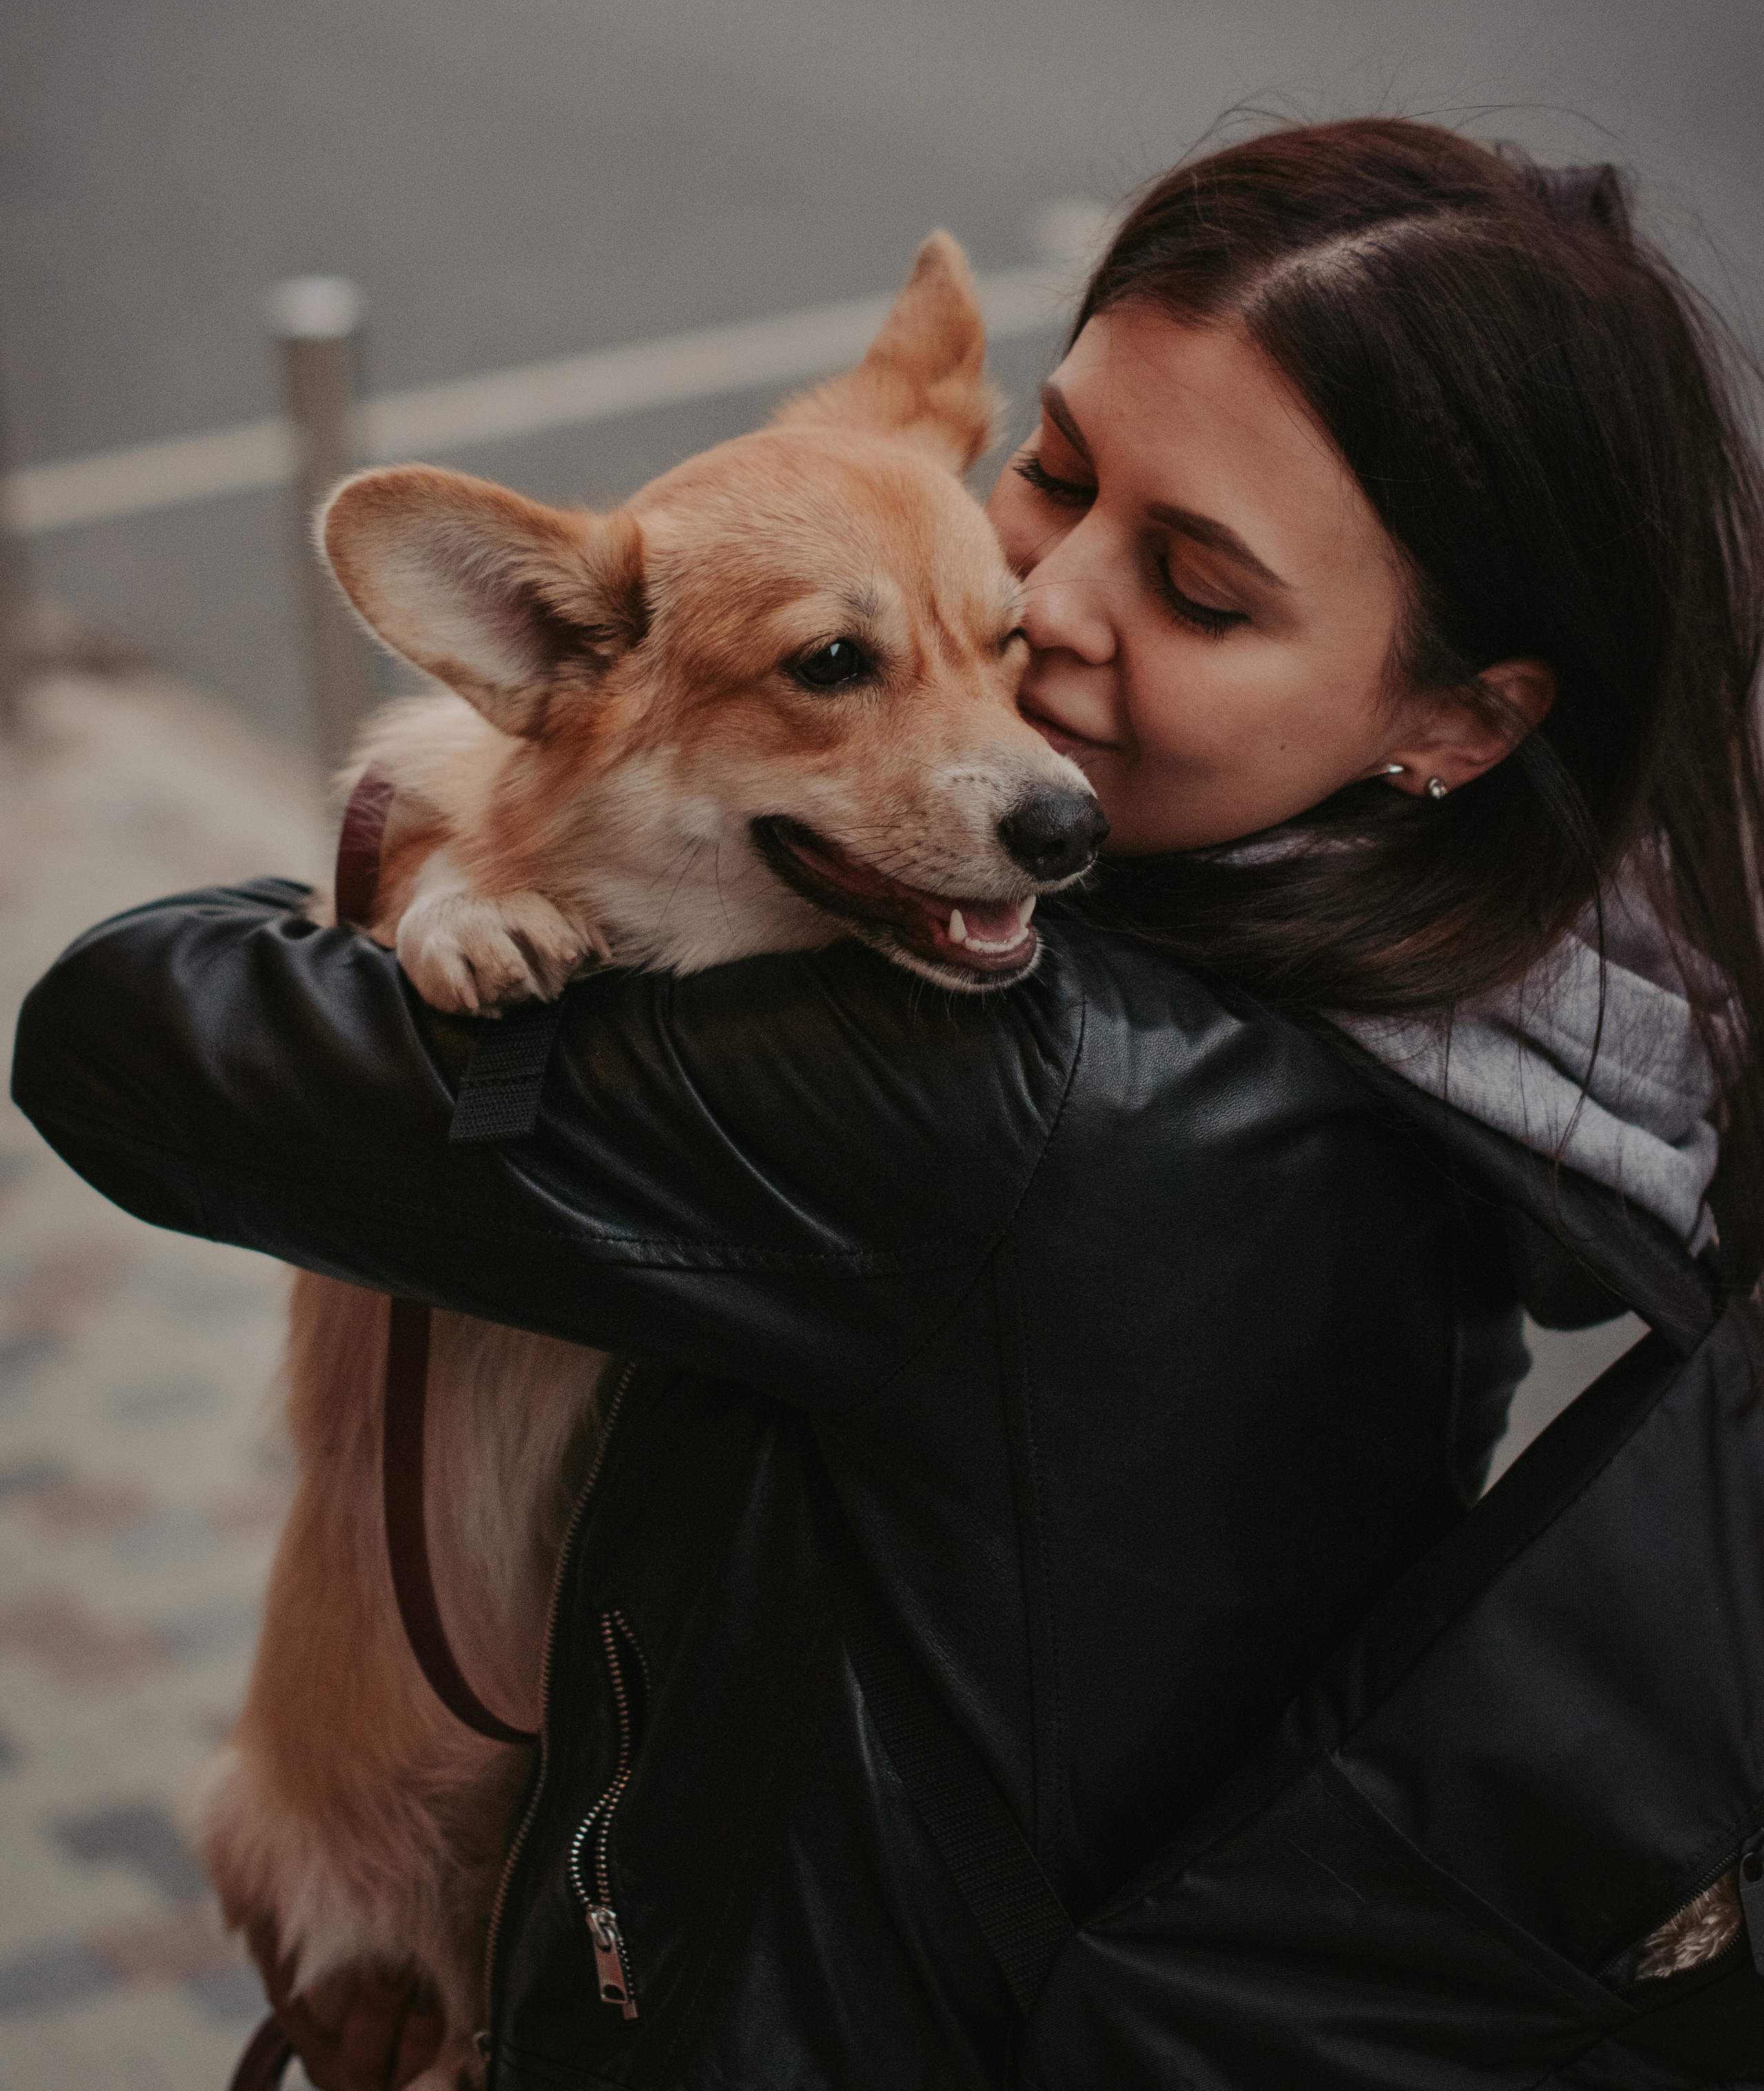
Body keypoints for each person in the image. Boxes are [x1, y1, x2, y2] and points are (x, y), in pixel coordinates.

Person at [14, 117, 1764, 2091]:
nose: (1045, 608)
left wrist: (432, 851)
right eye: (1062, 467)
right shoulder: (1505, 1016)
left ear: (1458, 718)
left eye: (1198, 586)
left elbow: (121, 1030)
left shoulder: (1005, 1104)